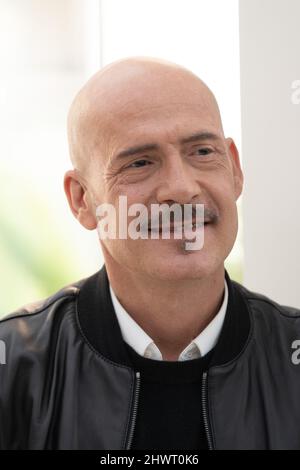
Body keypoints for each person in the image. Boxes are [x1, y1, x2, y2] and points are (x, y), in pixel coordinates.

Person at [1, 57, 300, 450]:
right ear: (82, 200)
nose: (181, 188)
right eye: (139, 162)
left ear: (235, 170)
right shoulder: (13, 371)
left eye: (202, 152)